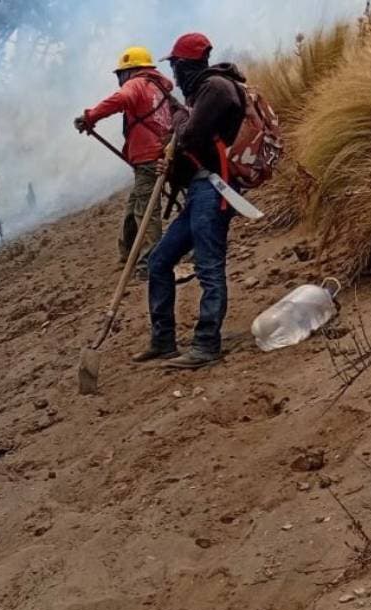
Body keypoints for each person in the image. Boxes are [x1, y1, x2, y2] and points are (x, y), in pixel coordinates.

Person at [135, 32, 246, 369]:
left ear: (188, 63)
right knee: (159, 261)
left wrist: (179, 119)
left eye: (178, 65)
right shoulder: (204, 92)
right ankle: (164, 340)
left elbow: (189, 134)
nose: (177, 73)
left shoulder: (215, 88)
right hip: (200, 189)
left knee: (209, 266)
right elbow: (187, 139)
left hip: (213, 189)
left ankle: (206, 345)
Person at [75, 46, 180, 272]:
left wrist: (89, 117)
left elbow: (121, 98)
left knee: (146, 212)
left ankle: (152, 263)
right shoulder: (159, 86)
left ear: (129, 71)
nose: (120, 79)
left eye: (120, 74)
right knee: (136, 204)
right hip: (165, 153)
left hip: (148, 158)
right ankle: (128, 253)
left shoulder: (136, 83)